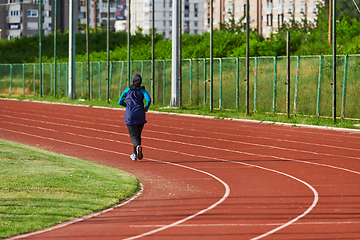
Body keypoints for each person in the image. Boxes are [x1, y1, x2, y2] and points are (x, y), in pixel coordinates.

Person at [118, 74, 152, 161]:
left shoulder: (127, 90)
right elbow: (148, 99)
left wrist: (127, 105)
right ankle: (135, 154)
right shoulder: (143, 91)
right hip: (140, 114)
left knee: (133, 135)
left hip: (130, 115)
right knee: (138, 135)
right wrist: (146, 108)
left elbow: (120, 101)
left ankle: (137, 147)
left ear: (132, 81)